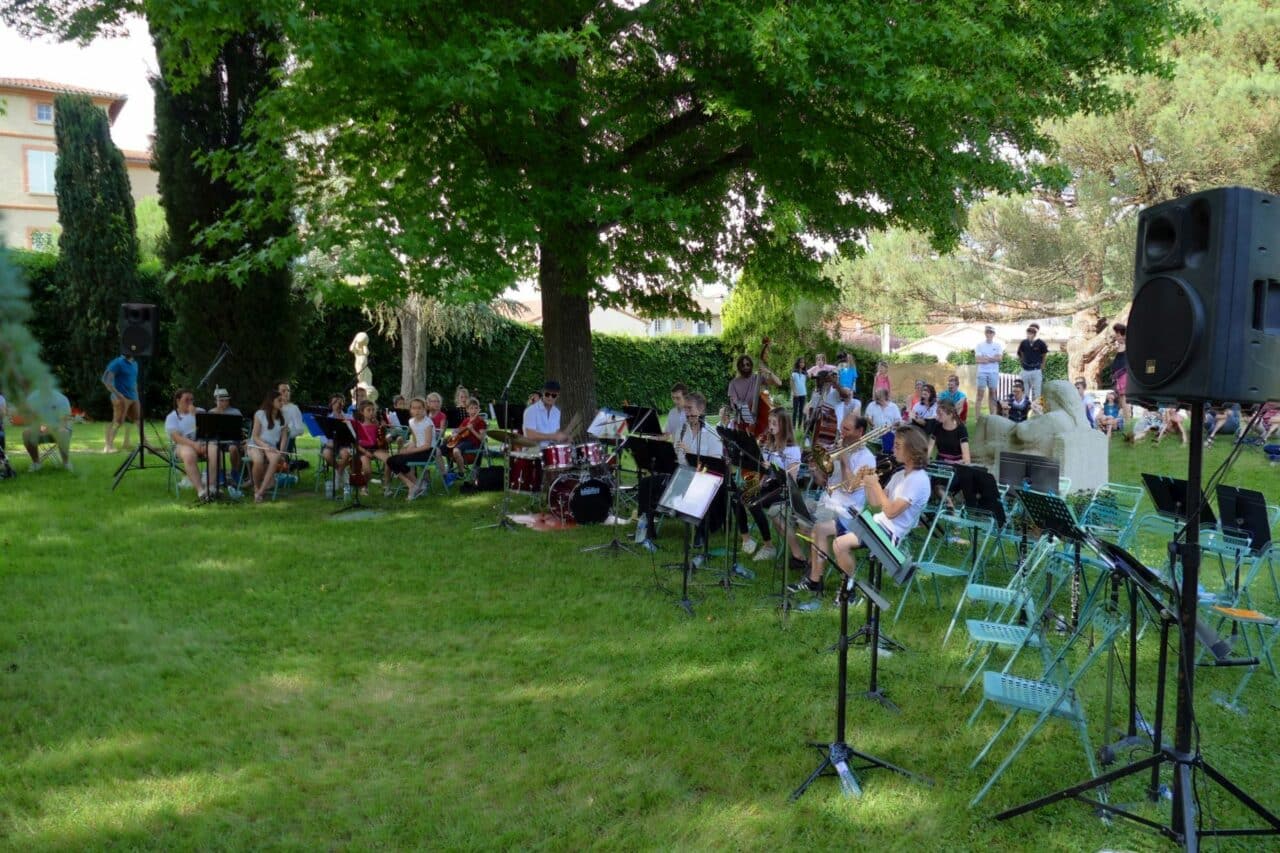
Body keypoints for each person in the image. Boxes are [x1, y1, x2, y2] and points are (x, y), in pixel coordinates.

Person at [790, 424, 931, 599]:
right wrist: (864, 481)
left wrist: (875, 484)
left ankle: (848, 591)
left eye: (898, 446)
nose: (893, 448)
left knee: (840, 544)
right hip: (876, 522)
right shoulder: (899, 475)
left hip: (890, 533)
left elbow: (890, 512)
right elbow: (874, 503)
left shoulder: (918, 480)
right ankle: (814, 581)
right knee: (820, 529)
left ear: (912, 450)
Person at [785, 413, 877, 589]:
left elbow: (850, 487)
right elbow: (823, 482)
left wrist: (843, 460)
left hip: (846, 509)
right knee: (792, 509)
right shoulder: (838, 449)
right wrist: (815, 468)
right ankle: (810, 563)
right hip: (827, 501)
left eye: (846, 429)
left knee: (815, 525)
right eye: (841, 427)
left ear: (860, 431)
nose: (841, 432)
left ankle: (814, 577)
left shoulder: (867, 458)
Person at [636, 392, 722, 552]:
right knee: (646, 483)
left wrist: (690, 453)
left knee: (695, 489)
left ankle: (700, 533)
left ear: (701, 409)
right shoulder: (681, 431)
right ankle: (647, 530)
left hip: (704, 478)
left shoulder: (713, 434)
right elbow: (675, 460)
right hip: (682, 475)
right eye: (685, 410)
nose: (687, 413)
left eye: (690, 409)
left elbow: (715, 466)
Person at [165, 388, 220, 501]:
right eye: (186, 400)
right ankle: (201, 491)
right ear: (178, 401)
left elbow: (209, 430)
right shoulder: (172, 417)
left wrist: (197, 417)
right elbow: (177, 438)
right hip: (182, 445)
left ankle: (211, 487)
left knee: (214, 450)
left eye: (192, 400)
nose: (190, 403)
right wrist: (194, 445)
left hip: (202, 442)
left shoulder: (199, 411)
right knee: (189, 454)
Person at [386, 397, 436, 500]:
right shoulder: (411, 421)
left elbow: (427, 445)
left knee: (400, 461)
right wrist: (407, 448)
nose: (417, 410)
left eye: (419, 408)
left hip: (428, 452)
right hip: (417, 450)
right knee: (391, 460)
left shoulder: (428, 423)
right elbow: (415, 440)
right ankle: (413, 485)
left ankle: (416, 486)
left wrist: (410, 451)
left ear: (424, 409)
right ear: (410, 410)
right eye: (414, 408)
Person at [248, 389, 290, 503]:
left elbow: (284, 437)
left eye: (282, 400)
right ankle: (256, 487)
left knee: (276, 458)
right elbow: (255, 436)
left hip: (271, 446)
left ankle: (261, 491)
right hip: (256, 444)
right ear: (271, 401)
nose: (282, 402)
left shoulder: (284, 416)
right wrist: (265, 446)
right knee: (258, 460)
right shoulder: (260, 414)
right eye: (279, 400)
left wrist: (281, 451)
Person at [21, 385, 73, 471]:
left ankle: (66, 463)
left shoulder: (62, 399)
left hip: (58, 430)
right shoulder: (32, 399)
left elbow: (64, 422)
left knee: (63, 432)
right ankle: (36, 463)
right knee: (26, 433)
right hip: (39, 430)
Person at [727, 353, 782, 430]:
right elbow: (734, 403)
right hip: (742, 421)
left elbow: (779, 383)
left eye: (747, 364)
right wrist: (748, 415)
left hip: (758, 419)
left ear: (751, 365)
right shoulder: (733, 383)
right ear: (739, 367)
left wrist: (768, 372)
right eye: (743, 365)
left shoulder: (757, 378)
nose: (746, 367)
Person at [101, 351, 141, 453]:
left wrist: (137, 397)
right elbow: (106, 380)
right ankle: (108, 446)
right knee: (118, 422)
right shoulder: (117, 363)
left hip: (133, 397)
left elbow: (134, 381)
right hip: (120, 398)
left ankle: (146, 445)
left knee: (138, 421)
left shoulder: (135, 363)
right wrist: (118, 395)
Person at [319, 393, 353, 497]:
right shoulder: (327, 418)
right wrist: (328, 443)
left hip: (344, 444)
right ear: (331, 404)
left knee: (346, 453)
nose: (338, 404)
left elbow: (353, 434)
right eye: (335, 402)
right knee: (326, 454)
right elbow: (322, 436)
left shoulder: (349, 417)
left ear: (343, 403)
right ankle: (341, 470)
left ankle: (337, 476)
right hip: (331, 444)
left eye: (340, 402)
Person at [449, 397, 487, 482]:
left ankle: (461, 473)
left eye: (476, 408)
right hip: (463, 441)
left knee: (455, 450)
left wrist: (472, 430)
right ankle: (449, 471)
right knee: (446, 445)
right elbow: (459, 430)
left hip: (473, 443)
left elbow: (482, 439)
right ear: (467, 410)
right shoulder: (466, 420)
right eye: (471, 408)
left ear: (479, 409)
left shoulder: (481, 421)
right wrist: (454, 432)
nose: (474, 410)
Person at [523, 380, 569, 446]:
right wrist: (552, 436)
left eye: (554, 395)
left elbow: (555, 433)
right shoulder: (531, 411)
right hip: (533, 451)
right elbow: (530, 435)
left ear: (558, 396)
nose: (550, 397)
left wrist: (564, 438)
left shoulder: (557, 412)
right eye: (547, 394)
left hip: (550, 451)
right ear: (543, 393)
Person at [1016, 323, 1049, 402]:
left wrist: (1042, 365)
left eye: (1033, 331)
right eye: (1029, 331)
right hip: (1025, 370)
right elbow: (1020, 353)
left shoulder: (1041, 343)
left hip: (1036, 370)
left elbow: (1044, 354)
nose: (1030, 333)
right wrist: (1023, 363)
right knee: (1025, 392)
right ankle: (1024, 411)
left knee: (1037, 393)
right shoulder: (1023, 343)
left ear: (1036, 332)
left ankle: (1038, 411)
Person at [974, 325, 1003, 415]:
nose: (989, 334)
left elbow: (999, 359)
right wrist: (992, 358)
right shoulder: (979, 345)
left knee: (993, 394)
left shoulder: (998, 345)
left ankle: (992, 416)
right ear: (985, 333)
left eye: (991, 332)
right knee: (980, 394)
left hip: (993, 372)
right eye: (987, 332)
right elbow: (978, 360)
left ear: (994, 334)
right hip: (982, 372)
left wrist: (986, 358)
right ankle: (978, 417)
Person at [1110, 323, 1129, 417]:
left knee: (1124, 399)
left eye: (1117, 335)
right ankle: (1125, 422)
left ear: (1123, 335)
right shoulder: (1119, 346)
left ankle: (1128, 420)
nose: (1116, 337)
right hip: (1118, 376)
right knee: (1121, 399)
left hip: (1123, 376)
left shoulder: (1128, 346)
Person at [790, 358, 808, 427]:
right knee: (795, 410)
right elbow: (791, 383)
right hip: (796, 394)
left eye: (803, 363)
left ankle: (800, 425)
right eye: (801, 362)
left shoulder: (805, 373)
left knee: (801, 411)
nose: (802, 364)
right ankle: (793, 426)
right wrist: (794, 392)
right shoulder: (794, 372)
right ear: (798, 363)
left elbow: (804, 383)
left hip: (803, 394)